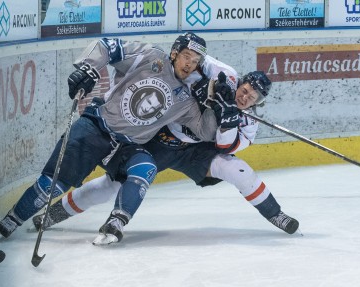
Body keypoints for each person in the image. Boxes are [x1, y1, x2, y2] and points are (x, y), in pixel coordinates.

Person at [31, 67, 300, 245]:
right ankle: (54, 213)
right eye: (244, 90)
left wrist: (229, 122)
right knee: (111, 185)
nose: (245, 97)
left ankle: (276, 214)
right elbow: (198, 59)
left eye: (252, 97)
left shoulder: (248, 123)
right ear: (239, 82)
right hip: (160, 138)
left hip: (196, 152)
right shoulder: (224, 77)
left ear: (257, 103)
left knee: (237, 170)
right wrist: (205, 85)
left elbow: (226, 147)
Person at [0, 32, 219, 239]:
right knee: (55, 183)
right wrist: (88, 68)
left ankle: (115, 223)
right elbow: (107, 45)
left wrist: (215, 106)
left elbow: (205, 132)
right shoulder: (151, 56)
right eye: (187, 56)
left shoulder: (186, 102)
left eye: (196, 60)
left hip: (126, 147)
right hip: (98, 127)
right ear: (174, 53)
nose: (190, 64)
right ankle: (13, 219)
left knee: (145, 169)